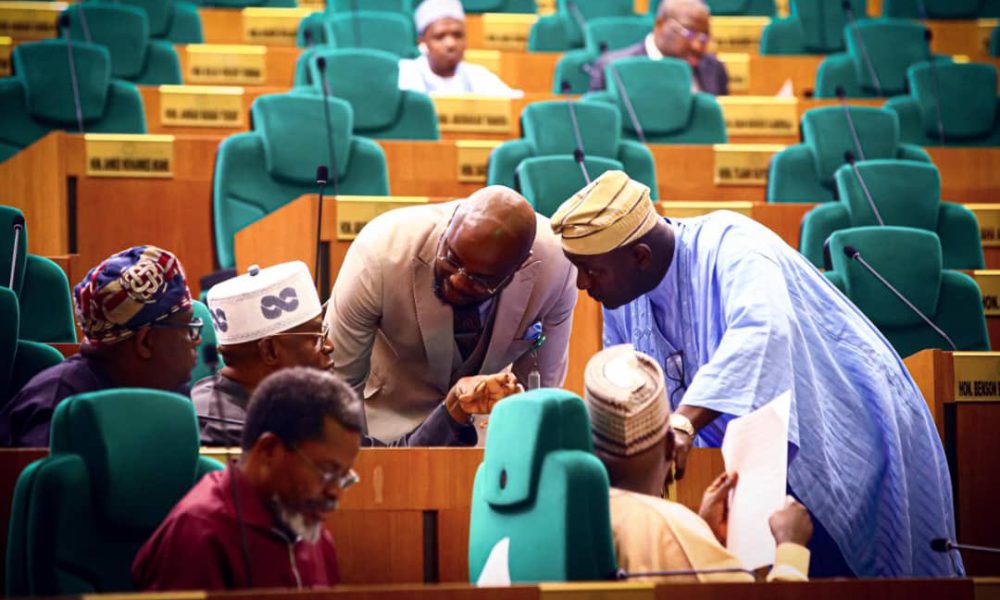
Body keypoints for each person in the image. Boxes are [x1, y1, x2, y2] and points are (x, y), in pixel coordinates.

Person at [549, 170, 961, 578]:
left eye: (590, 270)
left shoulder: (734, 243)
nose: (581, 283)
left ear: (640, 257)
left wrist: (683, 422)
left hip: (849, 434)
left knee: (877, 579)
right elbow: (627, 383)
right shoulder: (619, 293)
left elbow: (763, 331)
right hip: (755, 466)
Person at [326, 186, 577, 444]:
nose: (457, 280)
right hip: (387, 425)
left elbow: (538, 397)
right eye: (452, 259)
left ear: (518, 267)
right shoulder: (380, 253)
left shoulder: (557, 268)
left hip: (486, 434)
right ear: (448, 229)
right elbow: (339, 385)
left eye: (479, 279)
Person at [195, 260, 521, 447]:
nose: (329, 346)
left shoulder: (307, 409)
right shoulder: (214, 420)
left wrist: (454, 408)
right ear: (269, 350)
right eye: (315, 337)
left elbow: (391, 467)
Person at [584, 344, 813, 582]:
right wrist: (790, 547)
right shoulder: (674, 531)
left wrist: (705, 535)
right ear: (671, 446)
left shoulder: (571, 516)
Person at [133, 367, 362, 590]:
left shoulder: (308, 528)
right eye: (327, 472)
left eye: (344, 478)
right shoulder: (199, 533)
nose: (335, 492)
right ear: (269, 450)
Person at [0, 246, 200, 447]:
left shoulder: (169, 389)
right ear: (145, 341)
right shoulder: (59, 406)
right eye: (187, 327)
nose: (197, 339)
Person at [589, 0, 728, 95]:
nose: (697, 46)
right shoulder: (612, 68)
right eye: (689, 34)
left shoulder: (714, 68)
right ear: (660, 25)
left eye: (704, 37)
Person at [399, 0, 523, 97]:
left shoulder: (477, 75)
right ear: (422, 41)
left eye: (458, 35)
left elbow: (515, 102)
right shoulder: (407, 72)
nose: (451, 44)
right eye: (440, 36)